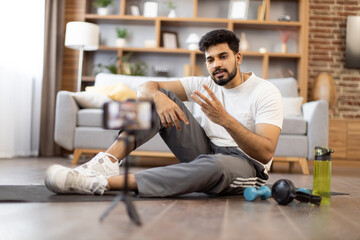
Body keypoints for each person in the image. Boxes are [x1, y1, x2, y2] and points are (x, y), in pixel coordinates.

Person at [45, 29, 283, 197]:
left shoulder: (265, 92)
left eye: (223, 57)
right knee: (160, 97)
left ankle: (101, 184)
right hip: (205, 149)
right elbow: (145, 87)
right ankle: (107, 161)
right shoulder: (202, 84)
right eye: (210, 60)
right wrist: (159, 98)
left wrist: (225, 120)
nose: (216, 65)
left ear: (238, 58)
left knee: (216, 166)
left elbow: (265, 153)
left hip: (244, 164)